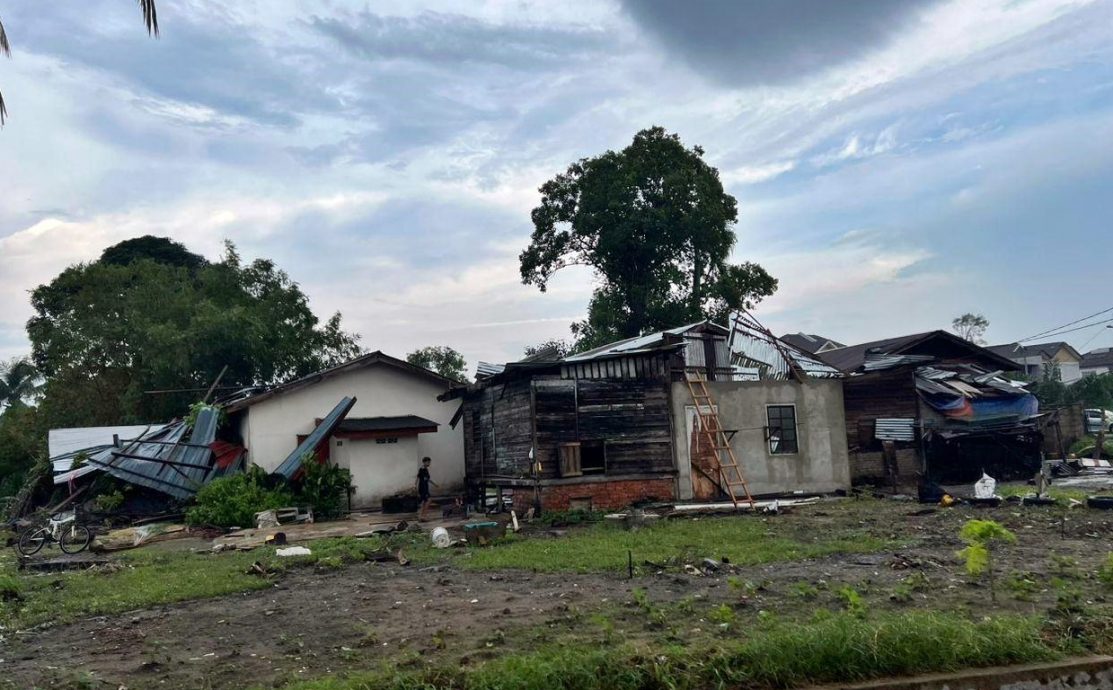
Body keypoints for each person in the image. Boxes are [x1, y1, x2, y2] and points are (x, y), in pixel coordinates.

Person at [416, 456, 437, 520]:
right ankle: (423, 516)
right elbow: (418, 478)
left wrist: (434, 484)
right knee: (428, 500)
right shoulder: (422, 469)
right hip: (423, 487)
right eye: (428, 462)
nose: (429, 463)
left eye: (429, 462)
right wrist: (415, 486)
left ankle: (422, 516)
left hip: (425, 487)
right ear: (424, 462)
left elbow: (427, 479)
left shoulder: (425, 469)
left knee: (425, 502)